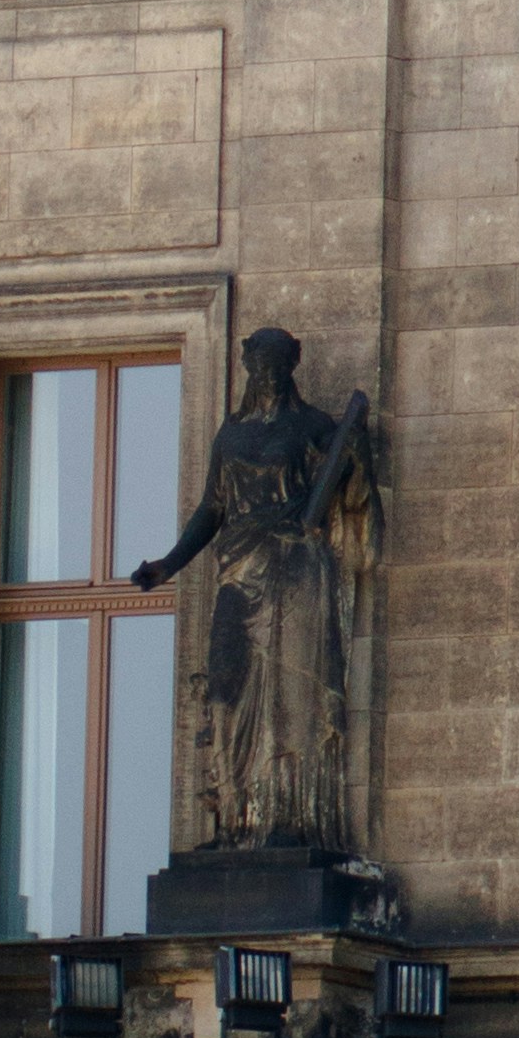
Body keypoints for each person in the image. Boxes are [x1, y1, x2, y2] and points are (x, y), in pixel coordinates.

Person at [129, 327, 379, 852]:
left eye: (275, 364)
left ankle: (288, 818)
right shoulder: (231, 434)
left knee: (292, 696)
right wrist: (170, 563)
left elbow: (351, 495)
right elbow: (211, 507)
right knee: (225, 686)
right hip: (239, 570)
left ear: (291, 366)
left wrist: (357, 455)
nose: (266, 374)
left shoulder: (313, 427)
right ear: (247, 367)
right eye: (258, 365)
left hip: (295, 570)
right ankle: (234, 817)